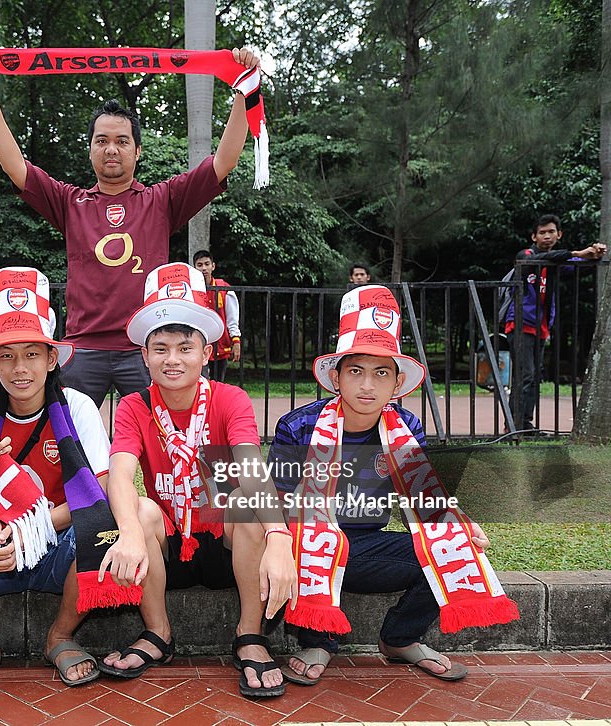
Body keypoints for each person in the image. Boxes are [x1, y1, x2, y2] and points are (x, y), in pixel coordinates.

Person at [0, 48, 261, 408]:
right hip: (83, 347)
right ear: (90, 150)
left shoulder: (162, 199)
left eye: (122, 141)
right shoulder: (69, 202)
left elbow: (224, 162)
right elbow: (14, 165)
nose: (111, 149)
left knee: (160, 443)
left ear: (137, 151)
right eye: (102, 141)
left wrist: (243, 92)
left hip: (143, 346)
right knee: (67, 444)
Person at [0, 267, 150, 687]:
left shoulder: (78, 408)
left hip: (57, 544)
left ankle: (60, 635)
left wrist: (30, 532)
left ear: (52, 358)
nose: (20, 368)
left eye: (32, 353)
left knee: (113, 528)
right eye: (7, 355)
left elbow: (102, 494)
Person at [270, 284, 491, 686]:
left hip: (365, 546)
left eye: (381, 373)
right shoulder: (299, 426)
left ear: (395, 385)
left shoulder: (406, 428)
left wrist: (458, 527)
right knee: (291, 538)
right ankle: (317, 641)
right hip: (308, 545)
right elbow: (275, 502)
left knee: (457, 548)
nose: (367, 385)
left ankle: (400, 639)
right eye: (356, 371)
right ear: (336, 378)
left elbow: (426, 498)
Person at [98, 262, 297, 699]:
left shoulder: (230, 399)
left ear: (207, 352)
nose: (173, 360)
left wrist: (279, 535)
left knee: (248, 502)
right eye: (161, 348)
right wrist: (129, 533)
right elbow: (121, 472)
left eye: (185, 347)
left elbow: (250, 466)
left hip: (225, 542)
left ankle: (249, 634)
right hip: (167, 546)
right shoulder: (134, 406)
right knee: (143, 507)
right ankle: (158, 632)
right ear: (144, 354)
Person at [501, 214, 606, 431]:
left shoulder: (557, 262)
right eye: (542, 232)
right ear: (534, 236)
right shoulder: (527, 254)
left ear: (559, 235)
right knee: (525, 375)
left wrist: (594, 254)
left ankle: (524, 424)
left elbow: (579, 265)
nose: (547, 236)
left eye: (551, 232)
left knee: (533, 377)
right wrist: (576, 252)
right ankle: (515, 425)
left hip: (540, 327)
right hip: (520, 323)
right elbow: (530, 263)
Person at [192, 249, 241, 382]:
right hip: (198, 345)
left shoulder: (224, 288)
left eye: (207, 264)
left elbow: (232, 319)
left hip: (220, 345)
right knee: (200, 383)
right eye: (200, 265)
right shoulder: (191, 290)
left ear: (213, 266)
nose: (204, 268)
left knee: (218, 383)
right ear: (194, 268)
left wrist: (235, 341)